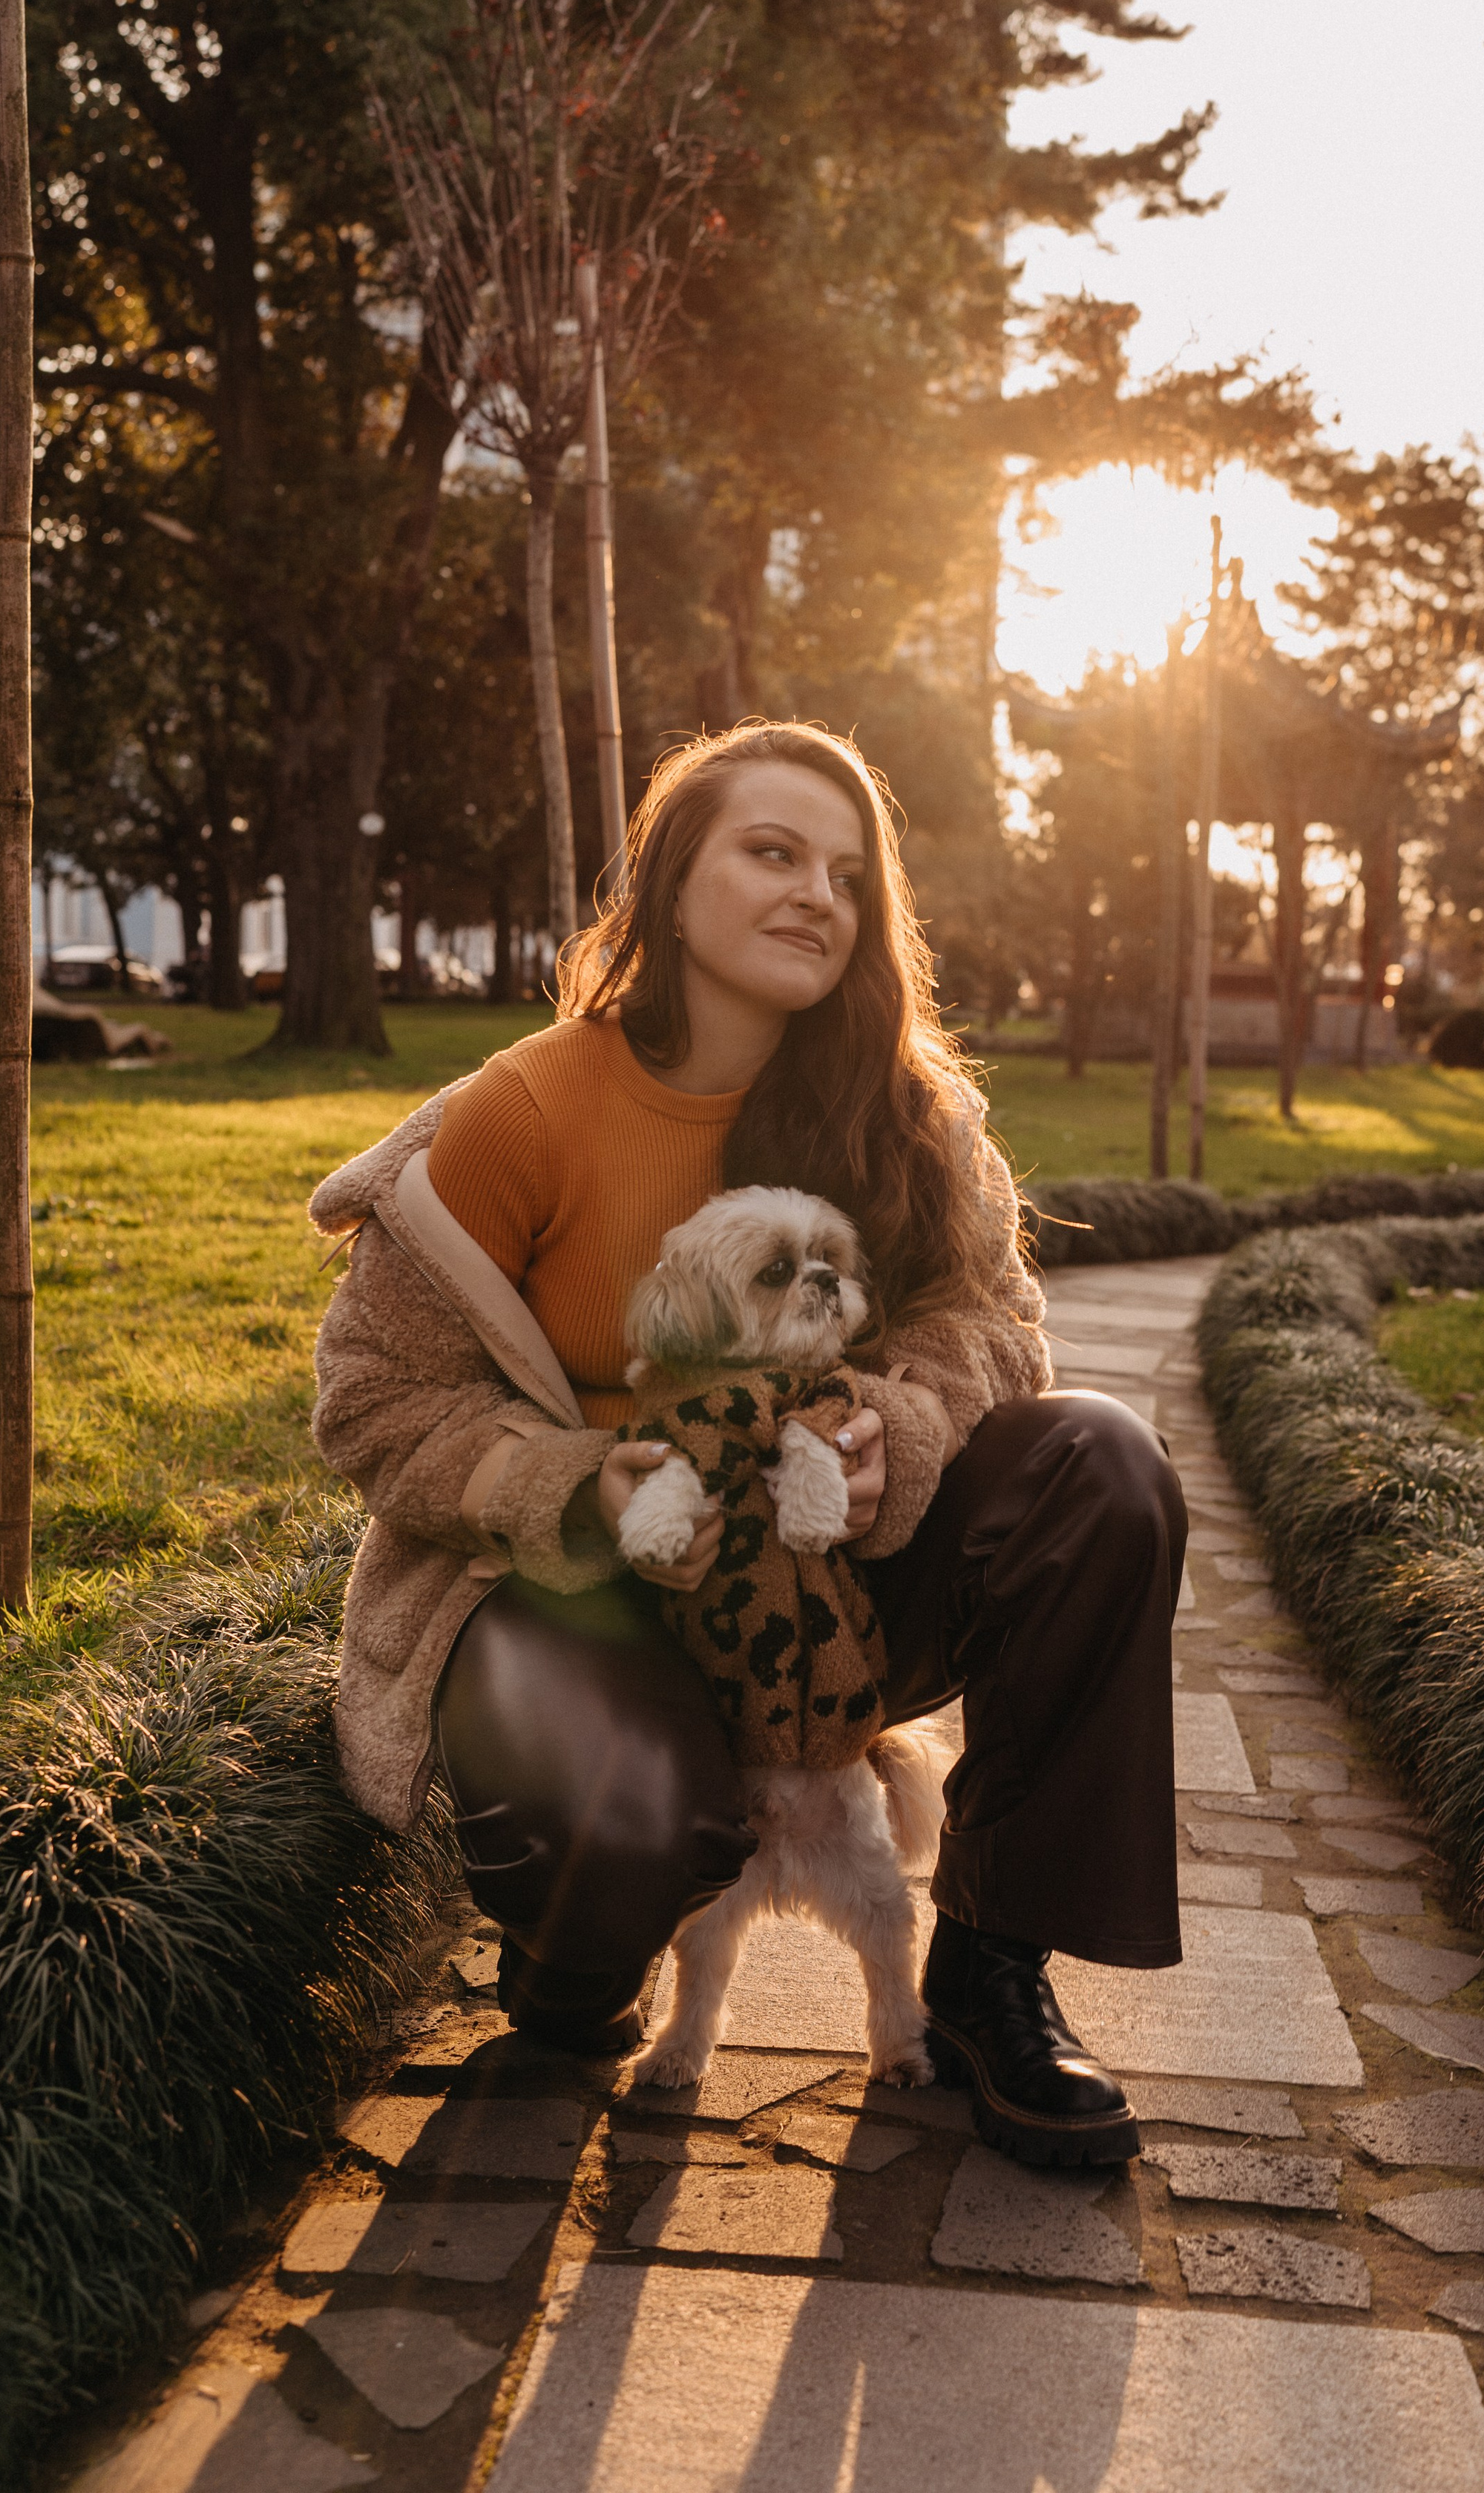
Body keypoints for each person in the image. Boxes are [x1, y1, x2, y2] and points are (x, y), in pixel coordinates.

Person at [306, 721, 1185, 2166]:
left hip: (827, 1587)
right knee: (631, 1860)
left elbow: (994, 1324)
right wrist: (578, 1484)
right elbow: (376, 1400)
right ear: (667, 882)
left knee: (1099, 1467)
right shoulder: (523, 1110)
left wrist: (901, 1429)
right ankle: (576, 1963)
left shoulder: (908, 1118)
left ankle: (989, 1967)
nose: (815, 896)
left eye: (847, 874)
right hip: (579, 1595)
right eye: (772, 853)